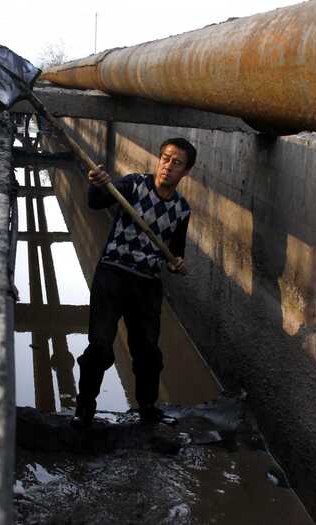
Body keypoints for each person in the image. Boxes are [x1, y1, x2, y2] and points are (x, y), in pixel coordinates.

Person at [71, 137, 196, 428]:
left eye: (176, 163)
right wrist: (98, 183)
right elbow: (94, 202)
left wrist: (177, 263)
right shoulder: (133, 185)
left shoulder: (181, 209)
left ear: (186, 172)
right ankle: (84, 408)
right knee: (100, 346)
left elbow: (175, 252)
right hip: (112, 275)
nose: (168, 166)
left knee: (148, 352)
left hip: (146, 285)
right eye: (165, 158)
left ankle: (148, 409)